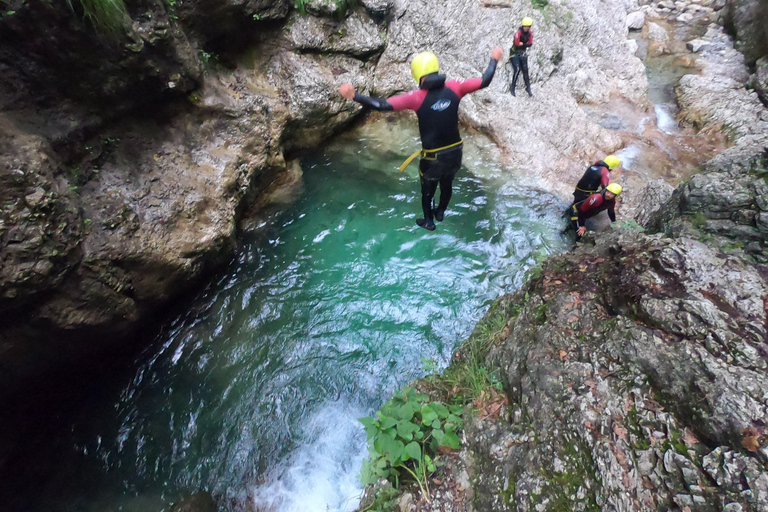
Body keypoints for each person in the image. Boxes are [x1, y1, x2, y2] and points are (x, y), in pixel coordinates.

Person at [339, 47, 504, 231]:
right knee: (447, 183)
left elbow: (382, 105)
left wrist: (355, 96)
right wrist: (494, 59)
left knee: (428, 191)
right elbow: (485, 80)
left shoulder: (416, 97)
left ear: (418, 75)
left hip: (433, 159)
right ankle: (440, 212)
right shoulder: (456, 87)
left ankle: (429, 221)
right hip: (455, 154)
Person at [509, 17, 534, 97]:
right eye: (525, 26)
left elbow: (530, 44)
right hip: (514, 53)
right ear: (523, 26)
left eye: (528, 26)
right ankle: (512, 87)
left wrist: (522, 44)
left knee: (525, 70)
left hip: (522, 52)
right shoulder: (518, 33)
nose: (526, 28)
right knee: (517, 69)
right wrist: (525, 44)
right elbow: (516, 43)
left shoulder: (529, 33)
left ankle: (528, 88)